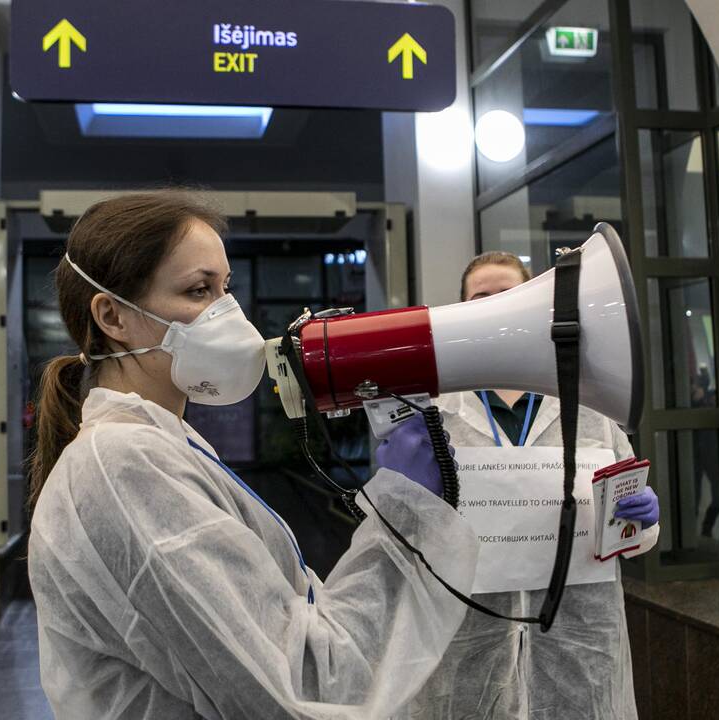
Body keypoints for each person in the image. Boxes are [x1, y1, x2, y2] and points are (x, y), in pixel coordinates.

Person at [26, 191, 481, 719]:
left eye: (226, 289)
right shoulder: (124, 464)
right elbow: (304, 684)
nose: (228, 314)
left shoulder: (159, 444)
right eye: (199, 290)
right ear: (112, 316)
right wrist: (405, 513)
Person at [408, 251, 661, 720]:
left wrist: (638, 518)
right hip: (465, 640)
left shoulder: (590, 404)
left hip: (579, 644)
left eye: (508, 296)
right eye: (480, 298)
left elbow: (629, 535)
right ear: (461, 311)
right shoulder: (435, 411)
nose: (494, 308)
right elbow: (407, 533)